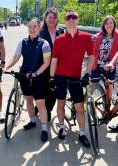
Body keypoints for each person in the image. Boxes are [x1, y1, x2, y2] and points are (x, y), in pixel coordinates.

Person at [49, 10, 95, 147]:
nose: (70, 19)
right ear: (64, 21)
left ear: (78, 20)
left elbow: (91, 56)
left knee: (80, 107)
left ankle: (82, 133)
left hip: (76, 77)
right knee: (61, 103)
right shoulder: (59, 39)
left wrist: (87, 73)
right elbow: (54, 60)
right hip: (60, 76)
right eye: (68, 17)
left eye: (73, 17)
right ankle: (62, 127)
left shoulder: (86, 37)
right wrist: (51, 77)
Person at [4, 18, 51, 142]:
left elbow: (46, 63)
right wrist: (5, 67)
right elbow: (15, 57)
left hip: (39, 76)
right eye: (30, 26)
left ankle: (45, 129)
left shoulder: (44, 43)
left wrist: (36, 73)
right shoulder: (22, 42)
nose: (32, 29)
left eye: (35, 26)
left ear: (39, 28)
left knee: (40, 103)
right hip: (25, 76)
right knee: (28, 99)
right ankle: (32, 121)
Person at [35, 7, 64, 122]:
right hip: (42, 65)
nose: (52, 19)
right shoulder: (40, 31)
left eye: (54, 17)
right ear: (45, 18)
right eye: (50, 17)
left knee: (52, 91)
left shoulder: (61, 32)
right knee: (41, 89)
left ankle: (48, 110)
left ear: (57, 19)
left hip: (57, 66)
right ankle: (39, 106)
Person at [91, 15, 118, 100]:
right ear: (104, 25)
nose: (109, 25)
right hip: (97, 64)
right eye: (107, 23)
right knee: (92, 84)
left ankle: (108, 106)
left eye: (111, 23)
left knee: (109, 85)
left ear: (114, 24)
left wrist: (114, 62)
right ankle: (88, 103)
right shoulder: (98, 36)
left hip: (110, 66)